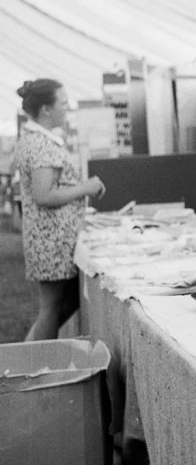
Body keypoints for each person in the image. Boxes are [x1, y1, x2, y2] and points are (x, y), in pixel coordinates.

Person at [13, 79, 105, 341]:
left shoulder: (36, 138)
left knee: (62, 304)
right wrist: (86, 188)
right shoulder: (41, 144)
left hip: (52, 239)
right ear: (46, 109)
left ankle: (32, 358)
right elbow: (44, 195)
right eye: (63, 103)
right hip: (49, 241)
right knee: (50, 309)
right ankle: (31, 363)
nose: (68, 108)